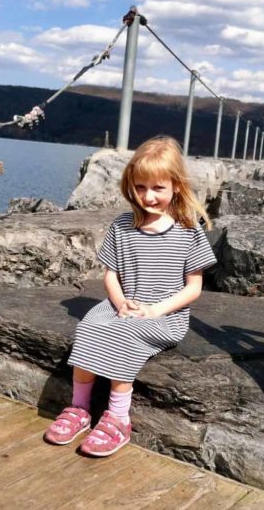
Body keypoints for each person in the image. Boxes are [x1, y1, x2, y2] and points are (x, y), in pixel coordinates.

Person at [44, 135, 217, 457]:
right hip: (120, 304)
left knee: (123, 336)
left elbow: (193, 287)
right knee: (88, 327)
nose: (148, 196)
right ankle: (80, 409)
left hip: (164, 316)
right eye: (140, 188)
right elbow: (111, 274)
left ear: (176, 186)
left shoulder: (188, 231)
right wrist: (121, 302)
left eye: (157, 188)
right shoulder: (123, 225)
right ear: (130, 185)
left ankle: (118, 418)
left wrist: (155, 310)